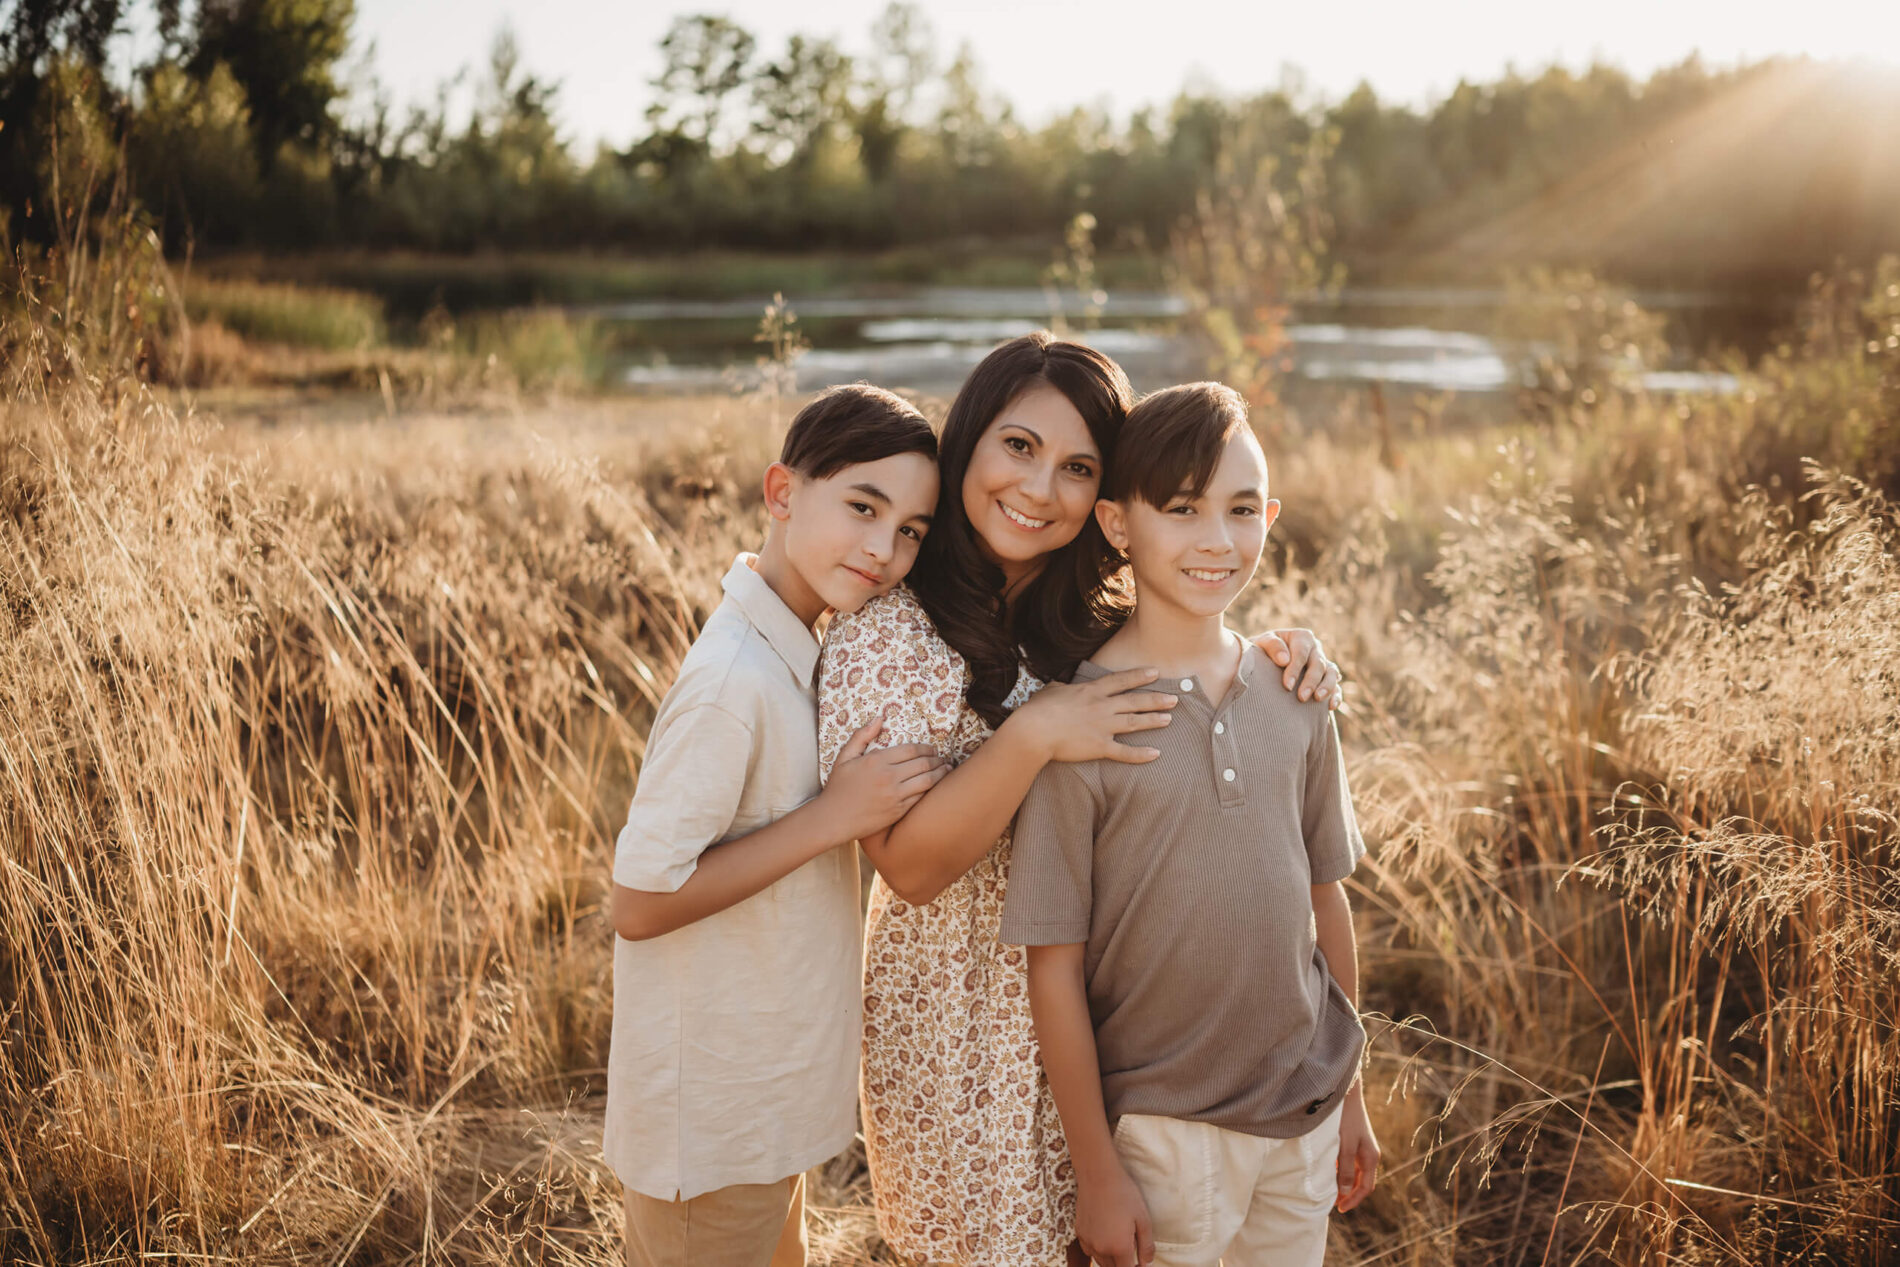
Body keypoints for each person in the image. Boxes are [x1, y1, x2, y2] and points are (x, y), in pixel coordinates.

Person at [816, 337, 1344, 1267]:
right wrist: (1032, 735)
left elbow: (1190, 637)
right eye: (1017, 447)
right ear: (969, 440)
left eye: (1076, 467)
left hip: (1112, 1032)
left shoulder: (1080, 626)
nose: (1039, 487)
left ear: (1105, 507)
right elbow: (908, 863)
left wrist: (1293, 651)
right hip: (960, 1021)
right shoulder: (893, 627)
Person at [1001, 382, 1379, 1267]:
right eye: (1181, 509)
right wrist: (1098, 1171)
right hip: (1164, 1138)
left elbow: (1325, 903)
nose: (1217, 539)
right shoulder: (1082, 722)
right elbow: (1051, 967)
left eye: (1241, 509)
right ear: (1118, 525)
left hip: (1303, 1115)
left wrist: (1349, 1094)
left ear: (1270, 516)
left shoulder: (1296, 694)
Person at [605, 384, 947, 1267]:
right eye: (863, 506)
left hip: (757, 1113)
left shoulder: (799, 652)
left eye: (910, 529)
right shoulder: (735, 682)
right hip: (711, 1130)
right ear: (783, 492)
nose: (883, 547)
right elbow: (639, 900)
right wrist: (834, 817)